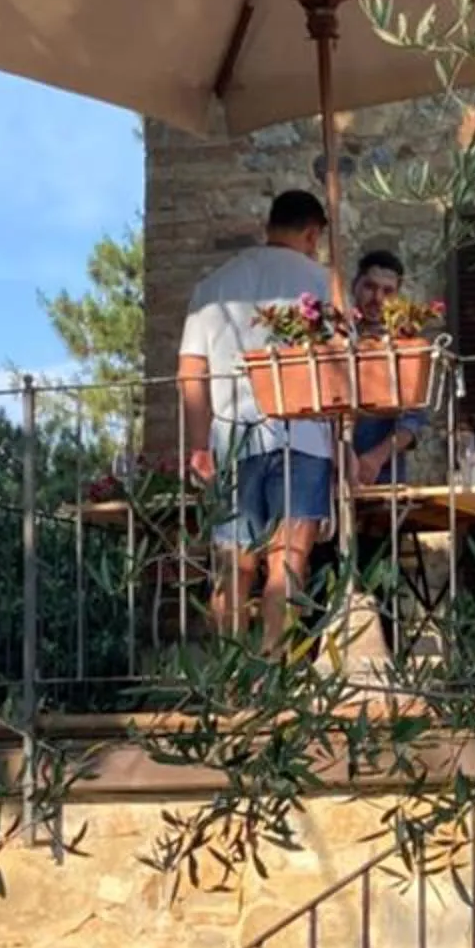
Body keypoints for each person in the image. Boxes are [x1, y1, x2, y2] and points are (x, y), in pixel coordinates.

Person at [178, 189, 338, 649]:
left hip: (232, 434)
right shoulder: (323, 280)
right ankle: (274, 676)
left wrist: (199, 446)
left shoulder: (213, 286)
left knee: (234, 564)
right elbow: (337, 368)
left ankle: (229, 683)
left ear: (269, 224)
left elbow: (190, 371)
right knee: (288, 561)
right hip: (303, 436)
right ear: (312, 233)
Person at [349, 248, 428, 491]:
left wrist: (375, 458)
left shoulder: (406, 347)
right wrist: (344, 457)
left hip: (382, 475)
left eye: (387, 291)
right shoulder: (335, 337)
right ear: (355, 286)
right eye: (370, 287)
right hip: (332, 470)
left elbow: (412, 422)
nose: (377, 298)